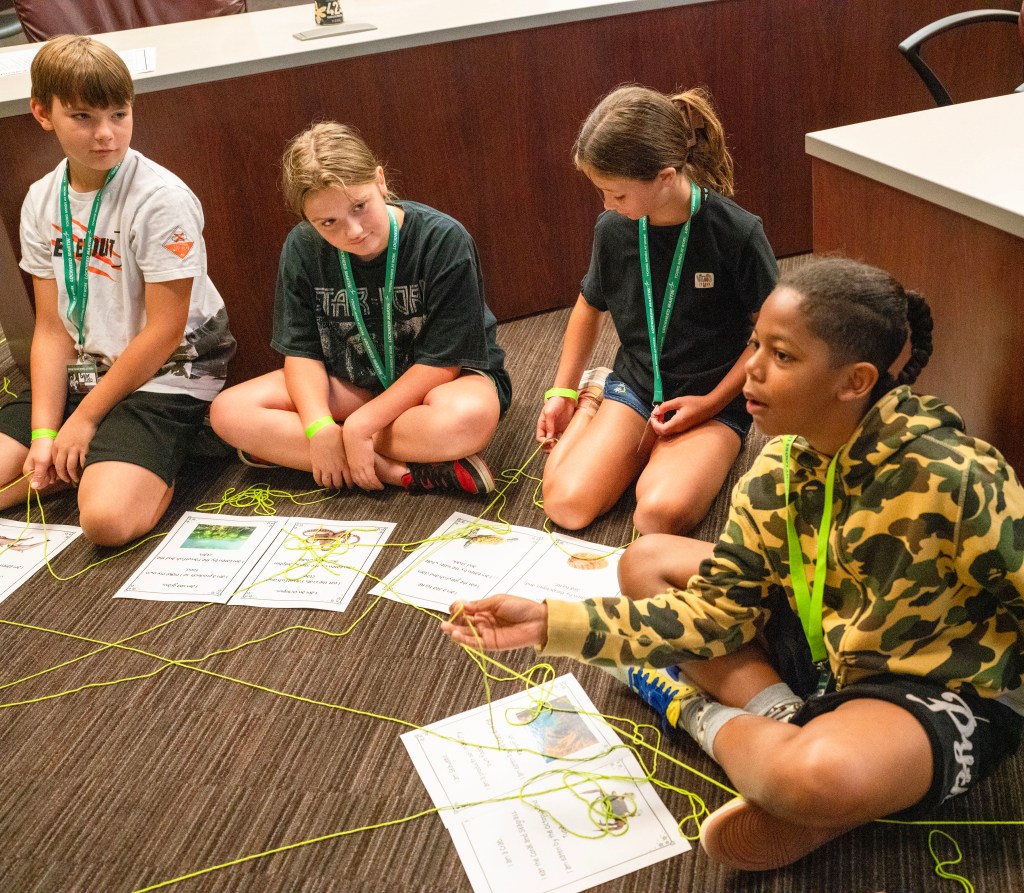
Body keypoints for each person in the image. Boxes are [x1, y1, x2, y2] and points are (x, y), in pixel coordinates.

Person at [443, 258, 1024, 872]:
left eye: (783, 355)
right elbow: (715, 612)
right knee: (647, 562)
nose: (750, 369)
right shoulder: (777, 469)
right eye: (754, 344)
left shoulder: (955, 476)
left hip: (938, 684)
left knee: (813, 776)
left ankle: (727, 729)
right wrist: (546, 622)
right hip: (829, 645)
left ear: (854, 381)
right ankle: (789, 728)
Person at [0, 36, 235, 546]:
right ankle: (87, 457)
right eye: (82, 117)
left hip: (168, 368)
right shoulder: (42, 200)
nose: (106, 134)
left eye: (119, 114)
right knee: (33, 456)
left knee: (106, 522)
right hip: (89, 367)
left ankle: (147, 456)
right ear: (43, 113)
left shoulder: (159, 198)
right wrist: (44, 432)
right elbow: (50, 327)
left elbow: (166, 330)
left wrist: (84, 420)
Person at [210, 122, 511, 495]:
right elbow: (301, 353)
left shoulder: (443, 239)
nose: (352, 231)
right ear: (308, 221)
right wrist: (320, 426)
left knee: (467, 419)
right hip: (351, 383)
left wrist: (360, 425)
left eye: (359, 207)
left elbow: (443, 362)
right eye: (328, 222)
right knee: (228, 412)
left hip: (440, 383)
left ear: (380, 182)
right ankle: (397, 471)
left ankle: (311, 450)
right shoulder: (302, 247)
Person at [537, 85, 777, 534]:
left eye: (617, 194)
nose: (607, 206)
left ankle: (690, 445)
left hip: (711, 394)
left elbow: (770, 338)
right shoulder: (615, 228)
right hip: (638, 385)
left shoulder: (736, 233)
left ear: (666, 177)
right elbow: (589, 308)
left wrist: (709, 405)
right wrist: (563, 393)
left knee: (656, 517)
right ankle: (597, 400)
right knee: (567, 506)